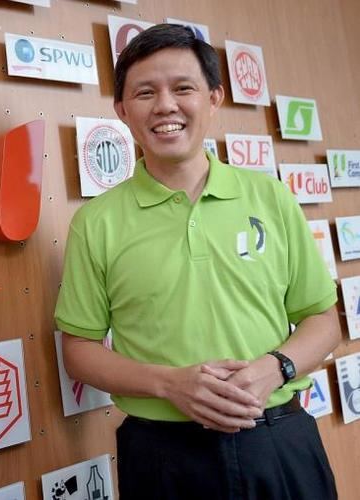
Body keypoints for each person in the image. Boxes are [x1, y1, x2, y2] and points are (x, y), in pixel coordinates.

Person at [54, 24, 340, 499]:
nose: (165, 105)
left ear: (213, 98)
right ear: (122, 111)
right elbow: (79, 351)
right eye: (145, 92)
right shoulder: (96, 222)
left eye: (182, 88)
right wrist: (170, 385)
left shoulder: (269, 196)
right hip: (162, 454)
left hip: (279, 440)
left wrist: (276, 367)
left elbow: (322, 318)